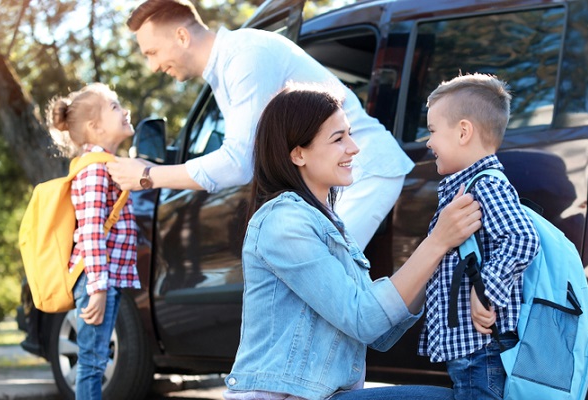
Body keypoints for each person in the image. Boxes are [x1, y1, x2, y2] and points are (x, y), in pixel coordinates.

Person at [222, 85, 481, 399]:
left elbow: (380, 331)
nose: (354, 148)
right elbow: (365, 320)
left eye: (350, 134)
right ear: (298, 153)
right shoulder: (284, 222)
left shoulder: (327, 221)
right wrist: (436, 242)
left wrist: (446, 253)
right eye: (338, 139)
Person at [107, 0, 414, 247]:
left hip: (363, 172)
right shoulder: (227, 68)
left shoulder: (245, 56)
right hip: (335, 181)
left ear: (182, 36)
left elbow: (238, 163)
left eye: (152, 52)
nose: (153, 65)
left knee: (323, 287)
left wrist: (148, 175)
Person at [417, 74, 540, 399]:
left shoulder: (486, 185)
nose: (428, 142)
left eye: (432, 131)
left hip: (482, 351)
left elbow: (522, 239)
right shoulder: (468, 185)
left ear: (462, 131)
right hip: (473, 350)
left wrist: (485, 292)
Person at [46, 83, 141, 400]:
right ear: (94, 126)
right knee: (92, 362)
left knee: (95, 360)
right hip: (95, 280)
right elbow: (89, 230)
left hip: (101, 278)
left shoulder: (105, 164)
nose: (124, 109)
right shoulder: (96, 169)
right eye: (115, 106)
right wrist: (98, 287)